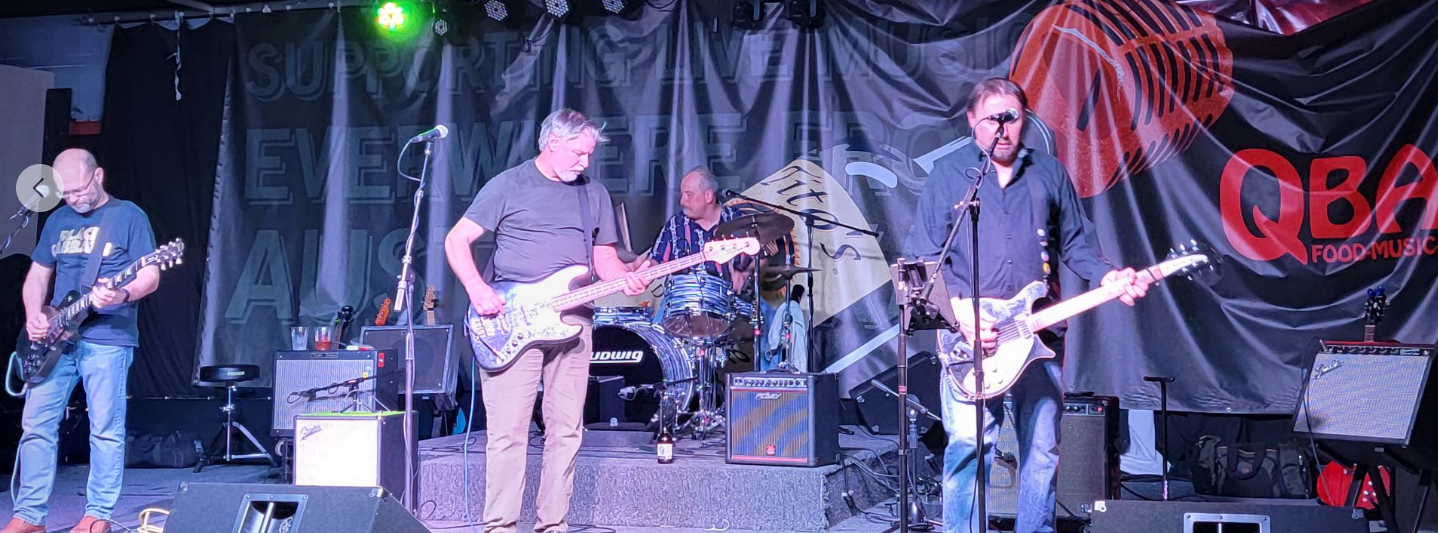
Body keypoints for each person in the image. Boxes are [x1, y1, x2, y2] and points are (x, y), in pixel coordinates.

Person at [903, 78, 1151, 533]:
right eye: (992, 118)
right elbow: (924, 257)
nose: (1003, 128)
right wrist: (960, 312)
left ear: (1025, 119)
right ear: (972, 121)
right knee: (969, 445)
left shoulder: (1048, 173)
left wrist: (1107, 276)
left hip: (1039, 334)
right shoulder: (949, 175)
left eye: (1012, 117)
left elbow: (1077, 243)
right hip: (971, 337)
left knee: (1042, 449)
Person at [444, 109, 647, 533]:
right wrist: (478, 290)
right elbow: (457, 240)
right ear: (552, 143)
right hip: (512, 321)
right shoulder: (509, 185)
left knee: (567, 430)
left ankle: (552, 525)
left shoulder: (593, 193)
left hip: (575, 322)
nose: (585, 162)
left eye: (589, 155)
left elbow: (604, 260)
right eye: (578, 153)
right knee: (509, 432)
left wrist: (627, 279)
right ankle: (500, 526)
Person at [7, 149, 160, 533]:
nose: (72, 199)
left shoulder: (128, 216)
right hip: (56, 338)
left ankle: (98, 515)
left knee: (105, 428)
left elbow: (150, 275)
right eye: (65, 193)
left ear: (98, 176)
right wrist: (34, 314)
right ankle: (29, 516)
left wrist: (122, 294)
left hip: (108, 336)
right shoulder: (58, 219)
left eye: (77, 190)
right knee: (36, 425)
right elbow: (38, 275)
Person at [643, 167, 779, 368]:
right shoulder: (676, 225)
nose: (682, 201)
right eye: (682, 194)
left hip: (732, 300)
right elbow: (656, 261)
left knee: (774, 324)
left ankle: (768, 384)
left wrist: (745, 272)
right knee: (653, 338)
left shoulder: (739, 222)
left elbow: (764, 254)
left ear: (708, 196)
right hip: (682, 302)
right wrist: (641, 271)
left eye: (688, 194)